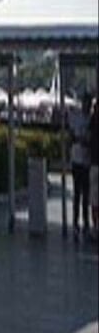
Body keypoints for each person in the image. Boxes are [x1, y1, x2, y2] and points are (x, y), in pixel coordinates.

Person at [70, 93, 92, 240]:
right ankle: (75, 222)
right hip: (77, 159)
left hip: (87, 161)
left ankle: (85, 222)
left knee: (86, 194)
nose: (86, 106)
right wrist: (78, 139)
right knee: (77, 193)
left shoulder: (91, 119)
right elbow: (71, 135)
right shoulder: (77, 118)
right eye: (85, 103)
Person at [89, 96, 98, 243]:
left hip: (94, 163)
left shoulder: (93, 121)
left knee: (95, 199)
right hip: (94, 163)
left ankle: (95, 227)